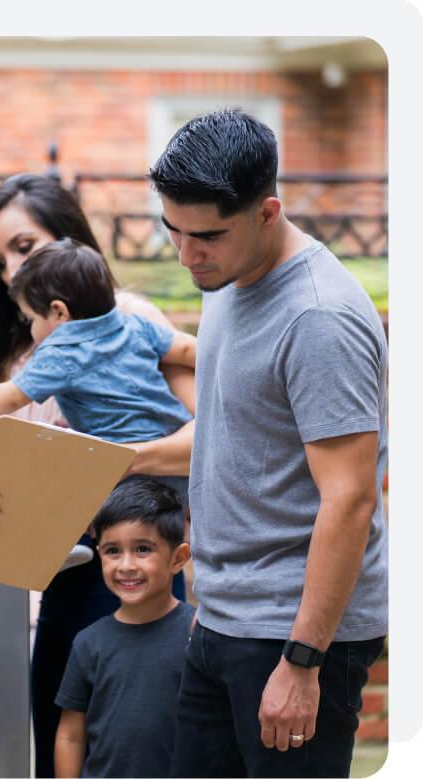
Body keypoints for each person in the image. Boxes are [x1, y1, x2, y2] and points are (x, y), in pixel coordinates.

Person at [149, 108, 388, 778]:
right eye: (173, 230)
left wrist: (302, 660)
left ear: (266, 211)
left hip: (292, 634)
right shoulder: (225, 276)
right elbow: (237, 439)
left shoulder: (317, 317)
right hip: (226, 616)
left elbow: (349, 500)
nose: (186, 253)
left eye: (205, 236)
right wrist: (215, 604)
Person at [0, 173, 195, 778]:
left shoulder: (129, 320)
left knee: (129, 741)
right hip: (58, 566)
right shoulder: (29, 351)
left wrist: (115, 458)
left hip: (128, 560)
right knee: (59, 731)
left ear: (69, 244)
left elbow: (206, 435)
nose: (12, 270)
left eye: (25, 247)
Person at [0, 237, 195, 445]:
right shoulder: (136, 326)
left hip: (129, 464)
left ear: (59, 312)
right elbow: (185, 348)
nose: (31, 330)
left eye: (31, 319)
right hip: (176, 448)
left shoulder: (64, 354)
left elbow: (12, 395)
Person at [53, 476, 194, 778]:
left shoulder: (199, 635)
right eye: (113, 551)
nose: (126, 565)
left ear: (178, 558)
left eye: (143, 549)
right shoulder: (88, 643)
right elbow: (71, 735)